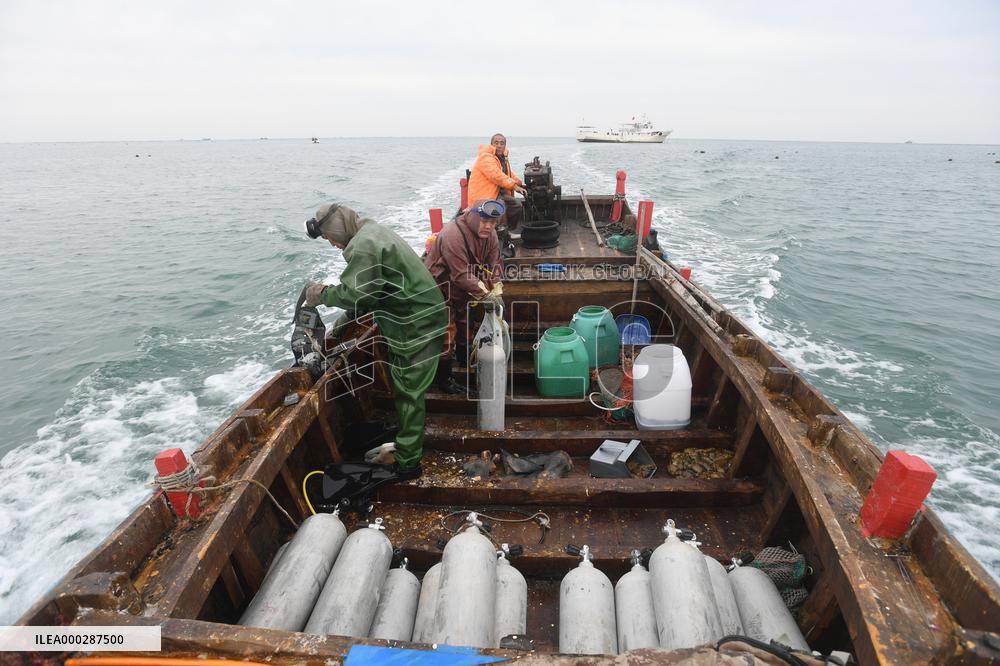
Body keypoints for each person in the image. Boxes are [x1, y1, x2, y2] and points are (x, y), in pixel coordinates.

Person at [303, 203, 447, 480]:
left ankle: (408, 462)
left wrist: (321, 294)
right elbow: (375, 287)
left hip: (416, 322)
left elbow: (354, 294)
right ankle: (407, 433)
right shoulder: (371, 231)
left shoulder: (364, 245)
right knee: (406, 382)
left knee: (409, 390)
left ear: (337, 229)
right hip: (417, 315)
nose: (333, 244)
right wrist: (350, 314)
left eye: (331, 238)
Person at [424, 199, 505, 393]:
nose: (489, 226)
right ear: (474, 216)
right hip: (438, 288)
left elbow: (494, 265)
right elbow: (460, 274)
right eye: (484, 221)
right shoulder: (453, 235)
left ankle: (463, 355)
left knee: (466, 320)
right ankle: (444, 379)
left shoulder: (490, 235)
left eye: (493, 222)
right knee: (446, 331)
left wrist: (496, 290)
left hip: (463, 287)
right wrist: (485, 295)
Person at [468, 133, 527, 229]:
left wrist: (520, 184)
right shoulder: (486, 157)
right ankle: (497, 234)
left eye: (502, 143)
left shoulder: (502, 158)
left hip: (497, 193)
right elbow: (497, 175)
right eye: (496, 143)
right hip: (484, 196)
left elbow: (508, 174)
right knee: (500, 206)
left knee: (517, 205)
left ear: (505, 146)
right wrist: (514, 186)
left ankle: (508, 231)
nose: (499, 145)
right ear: (491, 145)